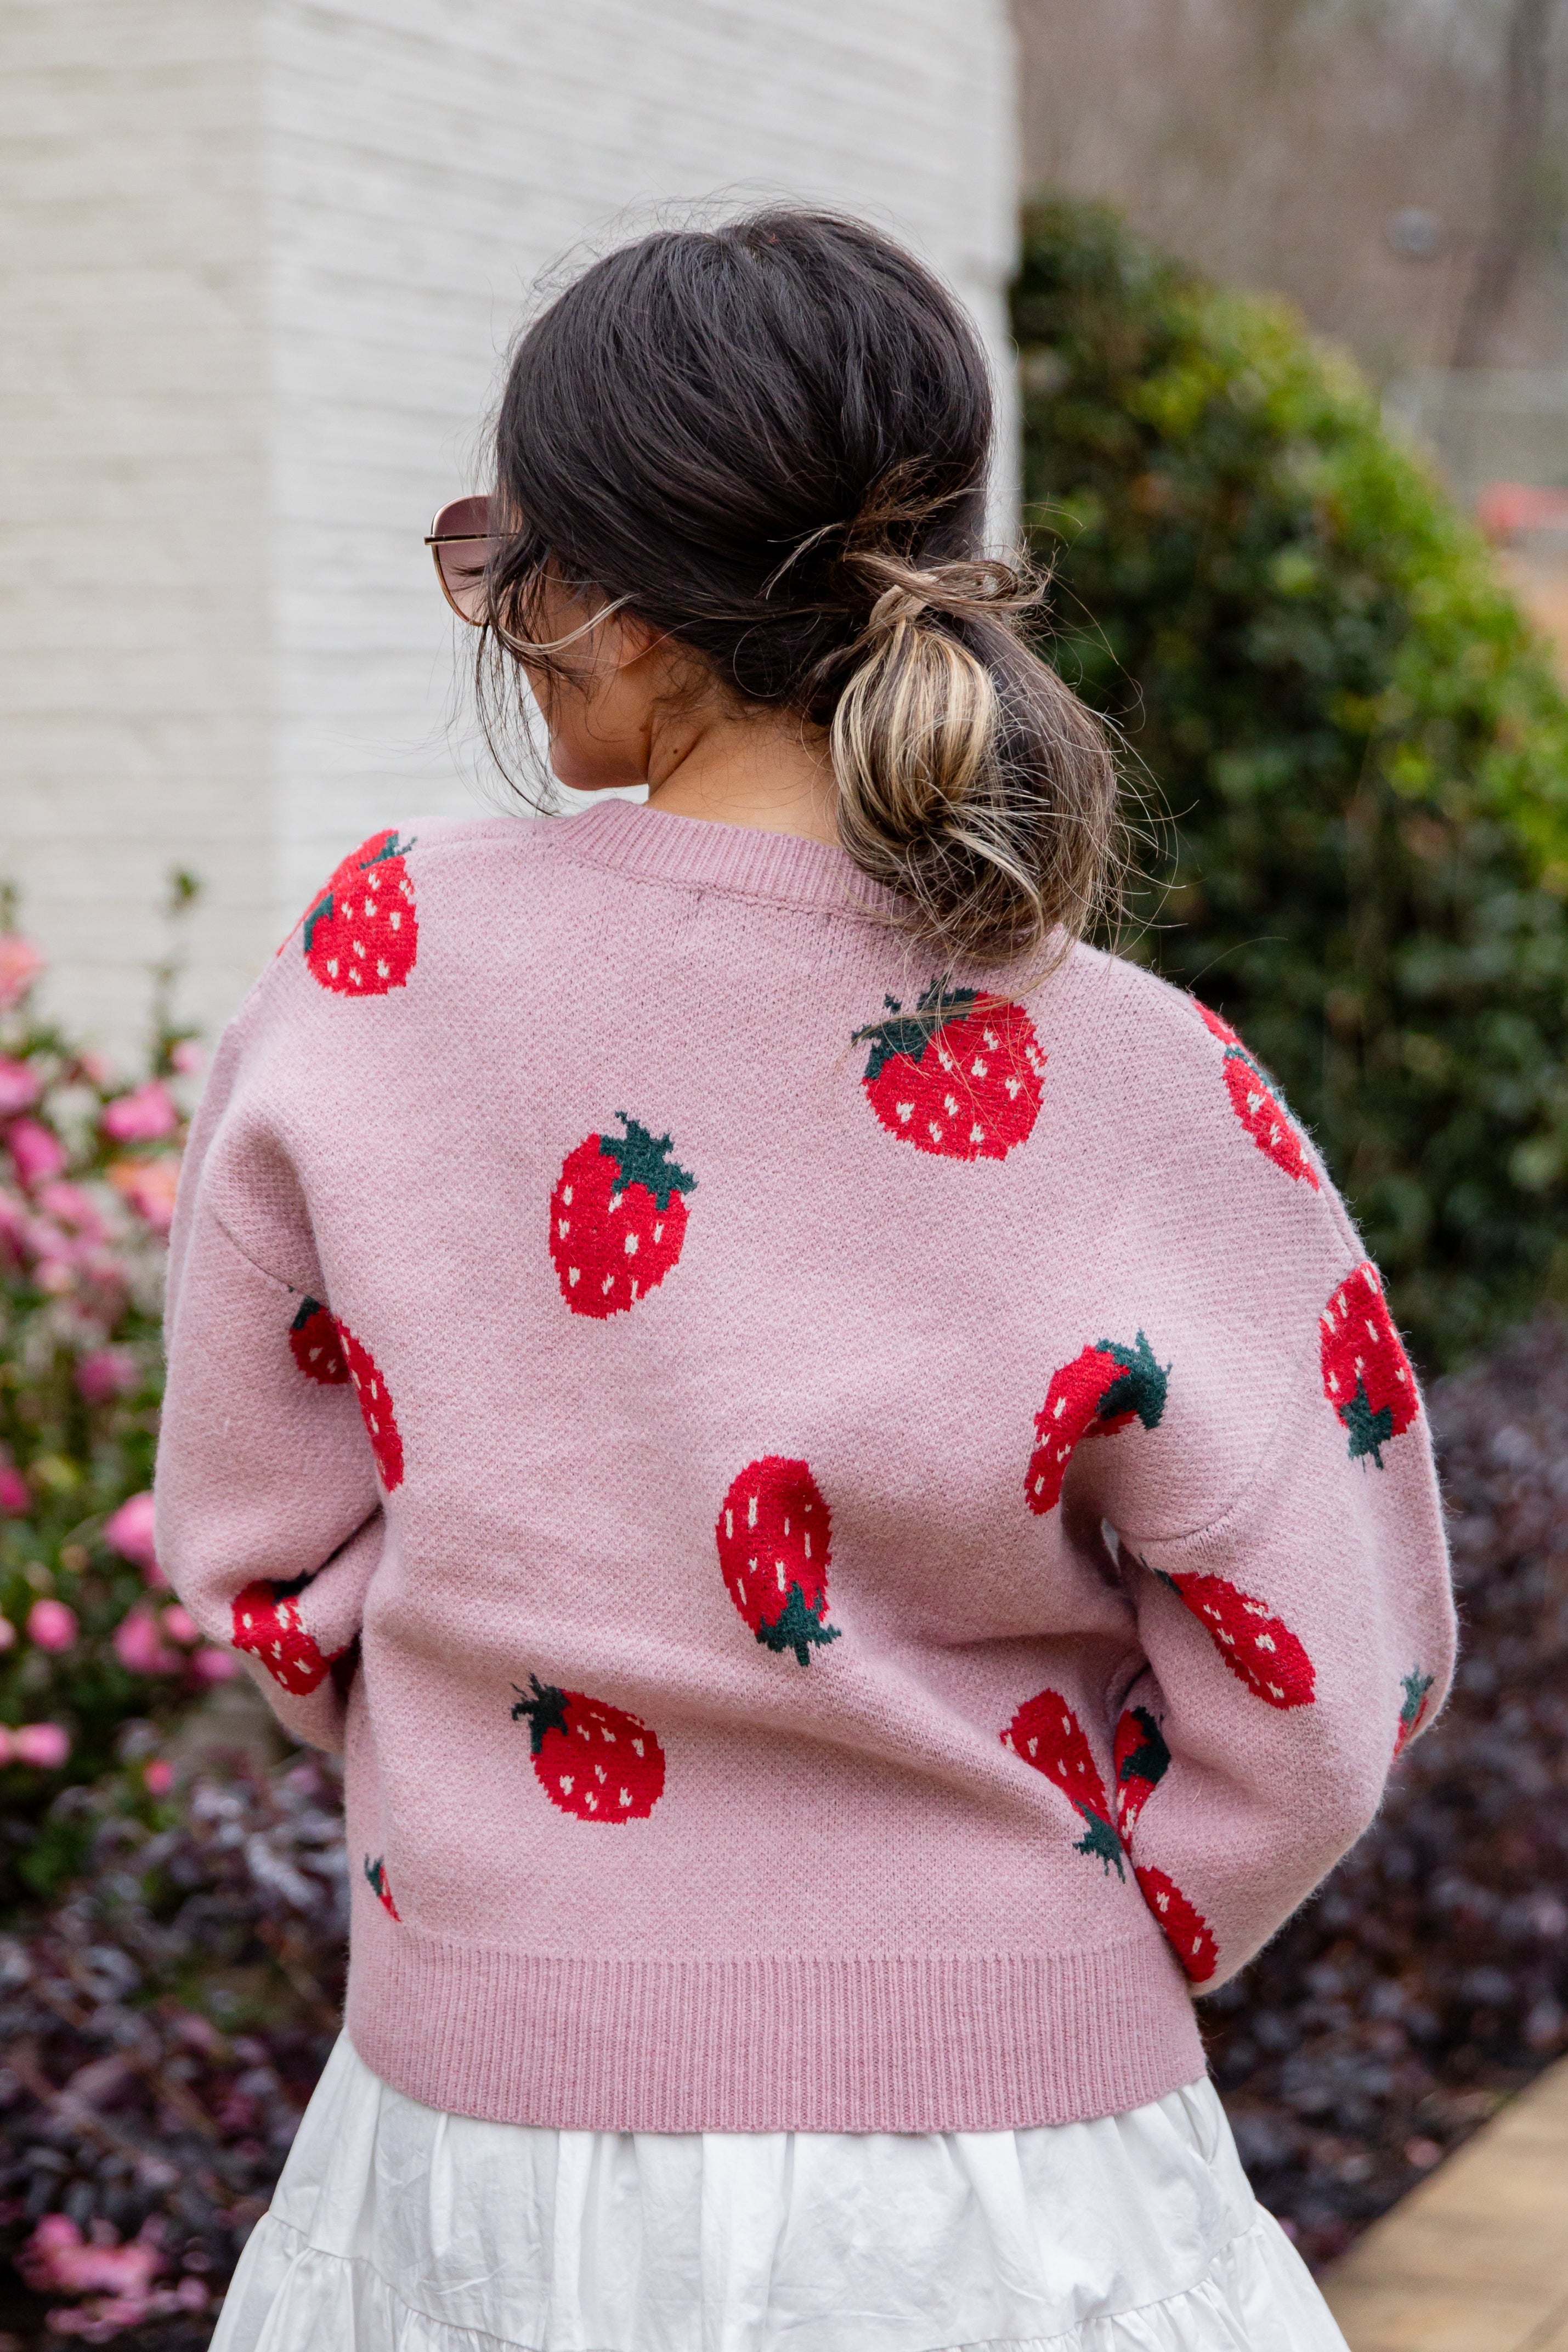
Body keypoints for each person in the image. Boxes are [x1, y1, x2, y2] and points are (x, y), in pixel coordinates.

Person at [161, 210, 1454, 2352]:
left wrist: (488, 1805)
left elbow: (263, 1551)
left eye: (506, 557)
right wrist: (1070, 1938)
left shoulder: (380, 964)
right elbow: (1324, 1669)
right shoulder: (1138, 1072)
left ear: (600, 595)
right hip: (1012, 2185)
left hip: (489, 2152)